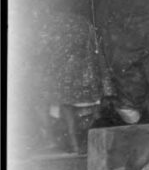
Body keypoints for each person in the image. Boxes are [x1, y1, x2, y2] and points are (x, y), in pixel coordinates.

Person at [19, 10, 114, 154]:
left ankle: (56, 141)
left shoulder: (48, 25)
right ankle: (79, 144)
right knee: (77, 110)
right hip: (85, 77)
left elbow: (39, 52)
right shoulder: (83, 22)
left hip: (62, 77)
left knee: (48, 102)